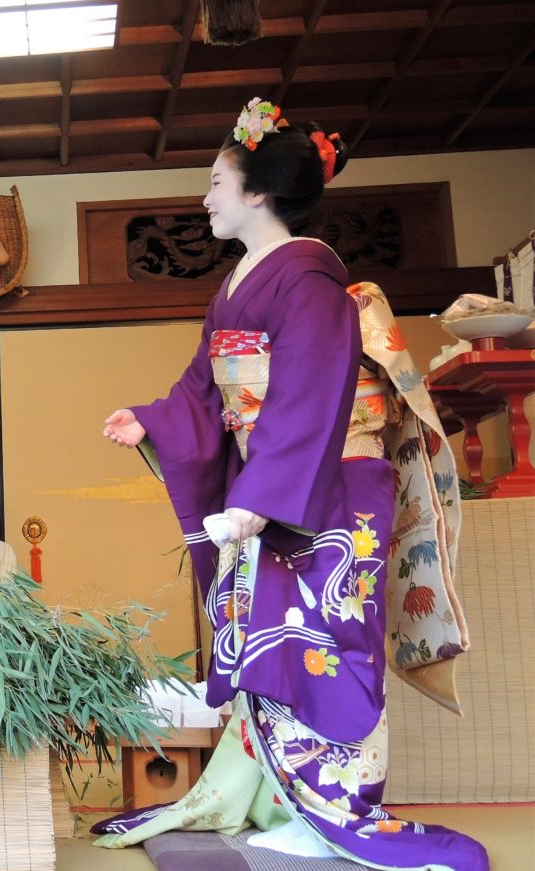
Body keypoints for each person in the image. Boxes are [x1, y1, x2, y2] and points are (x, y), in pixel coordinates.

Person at [99, 99, 487, 870]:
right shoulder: (239, 284)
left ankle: (337, 811)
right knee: (268, 643)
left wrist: (255, 498)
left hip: (329, 485)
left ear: (257, 193)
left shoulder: (309, 279)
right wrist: (156, 420)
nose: (204, 198)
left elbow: (310, 388)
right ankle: (282, 802)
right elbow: (203, 387)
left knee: (327, 641)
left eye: (215, 181)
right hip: (276, 487)